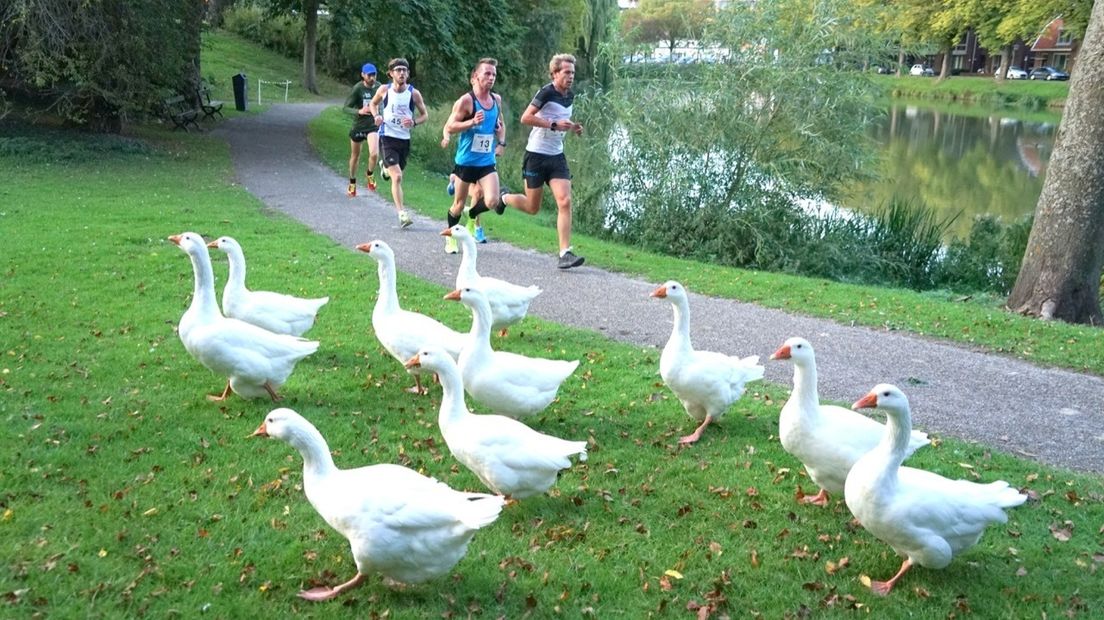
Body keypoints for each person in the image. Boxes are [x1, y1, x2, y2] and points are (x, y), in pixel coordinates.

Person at [501, 53, 585, 269]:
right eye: (566, 72)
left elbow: (560, 119)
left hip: (556, 156)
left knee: (565, 201)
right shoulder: (546, 92)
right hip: (536, 156)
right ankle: (504, 198)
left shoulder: (569, 95)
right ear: (555, 73)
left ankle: (565, 252)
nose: (571, 76)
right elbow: (525, 117)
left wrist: (573, 127)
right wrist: (554, 125)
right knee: (532, 207)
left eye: (573, 73)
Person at [442, 58, 507, 253]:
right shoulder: (467, 101)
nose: (491, 77)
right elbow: (450, 127)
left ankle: (472, 215)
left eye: (494, 74)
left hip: (487, 160)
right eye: (487, 73)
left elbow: (500, 124)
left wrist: (502, 142)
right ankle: (450, 238)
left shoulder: (496, 100)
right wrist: (471, 123)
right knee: (458, 205)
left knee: (492, 201)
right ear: (475, 76)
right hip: (466, 161)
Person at [369, 58, 428, 228]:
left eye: (404, 70)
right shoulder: (384, 90)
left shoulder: (413, 93)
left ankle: (385, 169)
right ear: (391, 73)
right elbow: (373, 104)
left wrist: (414, 122)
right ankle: (402, 214)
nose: (402, 73)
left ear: (408, 74)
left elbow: (425, 115)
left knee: (395, 172)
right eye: (398, 70)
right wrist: (376, 116)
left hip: (404, 140)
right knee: (398, 177)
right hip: (387, 137)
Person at [344, 63, 380, 198]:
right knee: (355, 156)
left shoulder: (379, 87)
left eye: (374, 75)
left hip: (373, 126)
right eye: (369, 75)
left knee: (374, 153)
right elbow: (345, 108)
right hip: (359, 126)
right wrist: (359, 111)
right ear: (363, 75)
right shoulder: (358, 89)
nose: (372, 78)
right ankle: (352, 182)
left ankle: (370, 174)